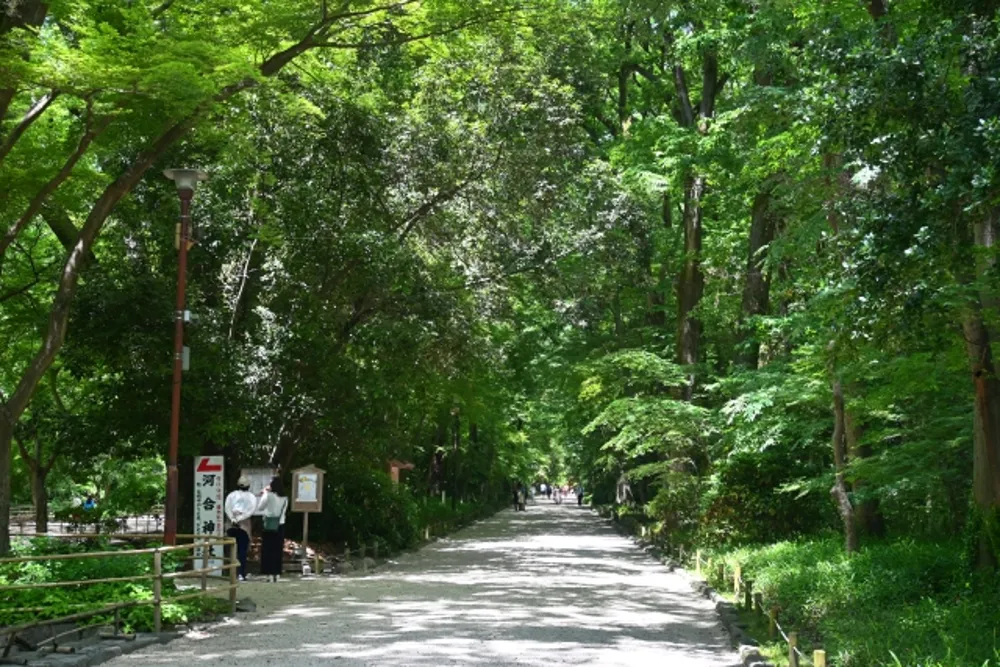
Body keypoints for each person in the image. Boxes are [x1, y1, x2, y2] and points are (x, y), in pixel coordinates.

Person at [225, 475, 258, 581]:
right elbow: (250, 511)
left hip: (231, 525)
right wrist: (240, 518)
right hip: (244, 526)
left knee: (231, 549)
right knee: (242, 550)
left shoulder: (231, 495)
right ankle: (241, 573)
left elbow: (227, 508)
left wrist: (233, 518)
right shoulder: (251, 497)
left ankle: (231, 572)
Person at [258, 476, 288, 582]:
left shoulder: (268, 495)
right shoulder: (285, 498)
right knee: (278, 550)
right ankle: (277, 573)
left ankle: (269, 574)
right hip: (280, 525)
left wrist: (264, 493)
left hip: (269, 525)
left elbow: (260, 507)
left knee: (268, 550)